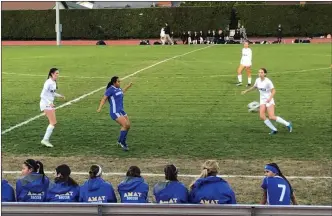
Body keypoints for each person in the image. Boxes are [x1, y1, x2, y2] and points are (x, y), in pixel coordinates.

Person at [241, 68, 293, 134]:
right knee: (262, 116)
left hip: (269, 100)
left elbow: (274, 91)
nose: (260, 74)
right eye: (259, 72)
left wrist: (270, 98)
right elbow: (254, 87)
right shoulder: (257, 80)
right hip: (262, 100)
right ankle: (274, 130)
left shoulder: (268, 81)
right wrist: (246, 91)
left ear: (265, 74)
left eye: (261, 72)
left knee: (271, 116)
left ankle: (288, 124)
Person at [97, 76, 133, 151]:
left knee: (128, 126)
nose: (119, 82)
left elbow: (122, 92)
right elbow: (104, 99)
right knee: (125, 125)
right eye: (118, 81)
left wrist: (128, 86)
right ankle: (122, 143)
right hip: (115, 111)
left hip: (121, 110)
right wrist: (100, 108)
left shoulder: (118, 88)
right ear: (114, 83)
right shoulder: (110, 90)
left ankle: (120, 140)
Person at [40, 68, 65, 148]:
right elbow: (42, 95)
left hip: (49, 104)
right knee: (53, 122)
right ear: (51, 74)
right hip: (46, 104)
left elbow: (52, 93)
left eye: (58, 73)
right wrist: (50, 103)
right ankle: (45, 140)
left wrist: (59, 95)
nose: (58, 75)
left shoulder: (53, 82)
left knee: (53, 123)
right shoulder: (48, 82)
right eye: (56, 73)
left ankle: (45, 139)